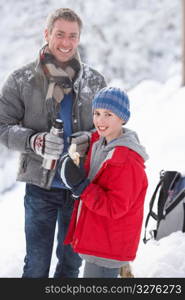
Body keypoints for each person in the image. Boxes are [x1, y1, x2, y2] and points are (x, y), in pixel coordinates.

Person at [0, 8, 106, 278]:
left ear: (79, 38)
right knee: (36, 267)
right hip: (40, 188)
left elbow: (108, 129)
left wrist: (88, 138)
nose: (66, 42)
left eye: (73, 35)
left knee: (71, 265)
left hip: (79, 187)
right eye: (60, 34)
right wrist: (33, 141)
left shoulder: (94, 82)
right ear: (46, 34)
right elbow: (2, 126)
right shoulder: (21, 80)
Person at [60, 86, 149, 278]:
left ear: (123, 118)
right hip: (99, 240)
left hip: (109, 246)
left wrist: (81, 186)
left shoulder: (126, 160)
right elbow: (93, 139)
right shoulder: (102, 143)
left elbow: (115, 206)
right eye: (97, 113)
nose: (100, 120)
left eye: (108, 114)